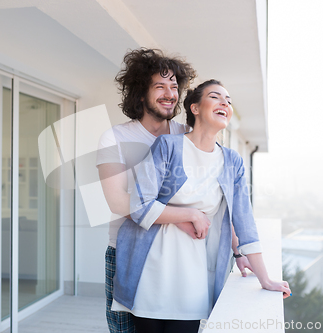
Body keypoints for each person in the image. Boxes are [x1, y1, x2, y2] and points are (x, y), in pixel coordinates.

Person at [112, 80, 291, 333]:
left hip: (193, 274)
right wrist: (190, 215)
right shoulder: (168, 147)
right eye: (216, 97)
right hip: (151, 268)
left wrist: (264, 277)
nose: (224, 104)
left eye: (228, 101)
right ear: (195, 108)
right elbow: (140, 206)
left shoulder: (232, 161)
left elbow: (243, 219)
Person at [97, 48, 244, 333]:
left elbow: (220, 197)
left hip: (181, 255)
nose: (170, 94)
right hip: (128, 252)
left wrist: (241, 251)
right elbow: (118, 202)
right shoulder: (115, 137)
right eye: (160, 86)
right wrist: (187, 216)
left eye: (174, 87)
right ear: (140, 92)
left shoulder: (183, 135)